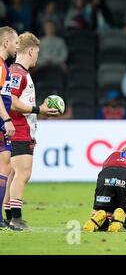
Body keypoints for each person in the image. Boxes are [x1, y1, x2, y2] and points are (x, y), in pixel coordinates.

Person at [3, 32, 59, 230]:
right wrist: (39, 109)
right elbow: (12, 102)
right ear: (30, 51)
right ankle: (16, 218)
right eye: (37, 52)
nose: (37, 56)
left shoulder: (15, 72)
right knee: (23, 173)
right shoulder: (19, 74)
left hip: (19, 129)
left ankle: (8, 216)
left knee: (13, 174)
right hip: (19, 130)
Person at [0, 26, 18, 230]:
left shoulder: (3, 65)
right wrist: (6, 119)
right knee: (4, 166)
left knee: (5, 164)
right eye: (14, 43)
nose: (16, 47)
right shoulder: (1, 66)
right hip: (0, 122)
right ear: (6, 43)